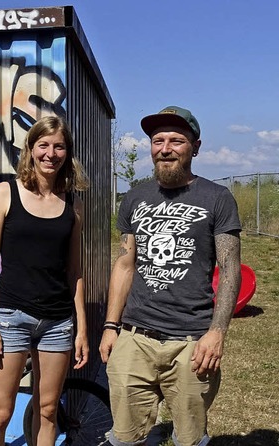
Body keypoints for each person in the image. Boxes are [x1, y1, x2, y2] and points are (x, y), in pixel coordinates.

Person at [99, 106, 242, 446]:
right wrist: (110, 326)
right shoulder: (134, 197)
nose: (165, 148)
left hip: (191, 342)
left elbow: (230, 269)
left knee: (189, 439)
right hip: (135, 338)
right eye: (157, 140)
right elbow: (124, 263)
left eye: (177, 141)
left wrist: (217, 332)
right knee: (124, 437)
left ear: (196, 147)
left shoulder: (217, 198)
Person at [0, 115, 90, 446]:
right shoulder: (5, 193)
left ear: (67, 153)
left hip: (58, 322)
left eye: (59, 147)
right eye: (43, 145)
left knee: (47, 410)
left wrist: (81, 328)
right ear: (30, 148)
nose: (51, 153)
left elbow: (75, 272)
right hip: (12, 318)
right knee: (0, 413)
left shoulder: (74, 204)